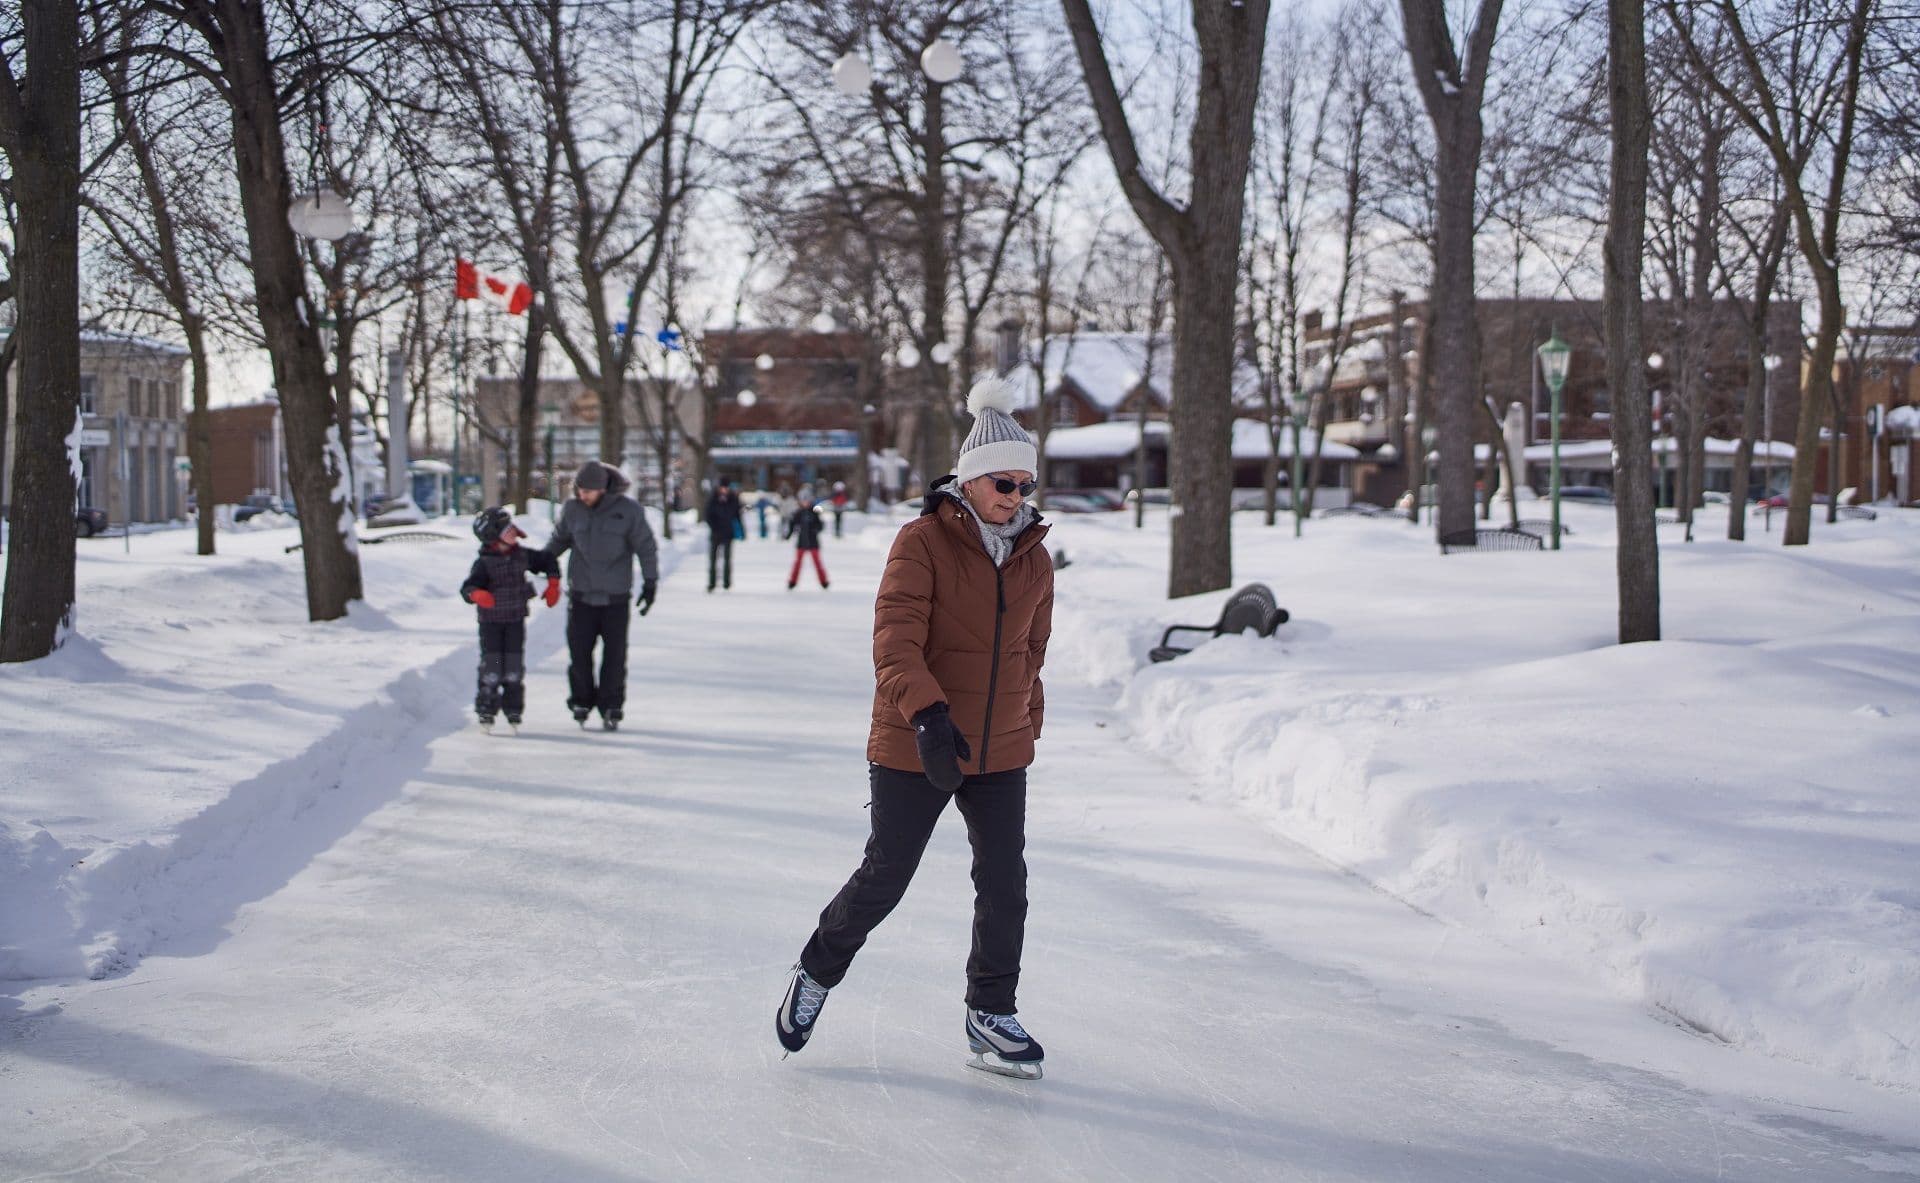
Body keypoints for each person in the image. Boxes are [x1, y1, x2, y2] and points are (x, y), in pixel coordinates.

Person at [775, 376, 1052, 1080]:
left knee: (1004, 882)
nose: (1017, 496)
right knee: (886, 875)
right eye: (1005, 482)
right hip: (914, 736)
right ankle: (816, 968)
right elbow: (895, 639)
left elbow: (1031, 648)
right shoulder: (922, 542)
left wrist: (1029, 716)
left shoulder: (1034, 557)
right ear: (972, 479)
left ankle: (990, 1009)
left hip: (1000, 746)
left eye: (1025, 483)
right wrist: (928, 713)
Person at [543, 460, 658, 731]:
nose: (583, 495)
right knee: (579, 653)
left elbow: (646, 546)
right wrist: (540, 562)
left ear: (603, 489)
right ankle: (581, 700)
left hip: (615, 597)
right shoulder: (572, 510)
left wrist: (650, 582)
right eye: (580, 490)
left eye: (589, 491)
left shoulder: (628, 511)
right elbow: (559, 540)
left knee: (615, 656)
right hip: (581, 596)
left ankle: (611, 704)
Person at [460, 507, 562, 730]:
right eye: (508, 531)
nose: (515, 534)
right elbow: (468, 587)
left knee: (514, 666)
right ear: (493, 536)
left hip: (515, 619)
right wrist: (476, 594)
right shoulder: (484, 563)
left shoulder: (522, 555)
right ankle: (487, 707)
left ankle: (513, 709)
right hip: (491, 623)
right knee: (493, 665)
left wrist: (554, 582)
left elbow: (547, 560)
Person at [784, 489, 829, 590]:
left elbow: (820, 525)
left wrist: (816, 529)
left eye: (807, 500)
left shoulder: (814, 512)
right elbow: (792, 525)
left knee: (817, 562)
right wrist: (788, 535)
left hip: (813, 542)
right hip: (801, 542)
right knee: (797, 563)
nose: (805, 503)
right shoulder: (798, 513)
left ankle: (824, 581)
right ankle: (793, 581)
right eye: (803, 500)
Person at [705, 477, 744, 592]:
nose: (724, 490)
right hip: (716, 532)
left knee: (727, 558)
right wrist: (713, 527)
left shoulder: (733, 498)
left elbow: (737, 515)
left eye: (726, 488)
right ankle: (711, 583)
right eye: (722, 487)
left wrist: (741, 530)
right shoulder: (713, 498)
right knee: (713, 559)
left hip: (728, 532)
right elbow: (708, 514)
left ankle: (727, 583)